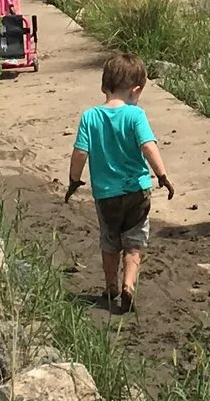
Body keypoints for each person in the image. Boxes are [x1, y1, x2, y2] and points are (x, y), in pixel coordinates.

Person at [65, 50, 177, 314]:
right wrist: (162, 176)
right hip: (137, 191)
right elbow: (148, 146)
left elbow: (80, 152)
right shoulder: (136, 116)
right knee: (134, 242)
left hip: (106, 195)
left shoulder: (90, 117)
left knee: (110, 240)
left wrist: (74, 180)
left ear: (104, 86)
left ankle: (110, 286)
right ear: (135, 90)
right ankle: (128, 284)